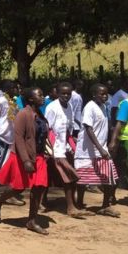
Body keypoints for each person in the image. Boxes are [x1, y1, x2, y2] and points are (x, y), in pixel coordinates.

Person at [0, 87, 50, 235]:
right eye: (40, 94)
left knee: (39, 188)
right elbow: (18, 138)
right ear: (31, 99)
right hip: (23, 157)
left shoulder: (40, 115)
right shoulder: (23, 114)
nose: (43, 97)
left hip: (39, 157)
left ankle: (32, 220)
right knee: (18, 187)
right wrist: (26, 160)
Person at [45, 82, 91, 218]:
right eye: (63, 93)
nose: (66, 96)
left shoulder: (70, 106)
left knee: (67, 177)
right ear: (57, 94)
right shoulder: (52, 108)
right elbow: (47, 128)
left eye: (68, 94)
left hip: (66, 146)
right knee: (68, 177)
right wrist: (49, 149)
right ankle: (70, 207)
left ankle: (71, 205)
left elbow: (68, 127)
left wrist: (71, 142)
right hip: (55, 148)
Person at [75, 84, 120, 217]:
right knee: (82, 179)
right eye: (102, 94)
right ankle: (79, 204)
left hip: (102, 148)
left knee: (108, 176)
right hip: (87, 150)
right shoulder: (90, 107)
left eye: (106, 93)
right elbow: (88, 129)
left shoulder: (103, 107)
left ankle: (105, 205)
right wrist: (100, 149)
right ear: (94, 94)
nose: (105, 96)